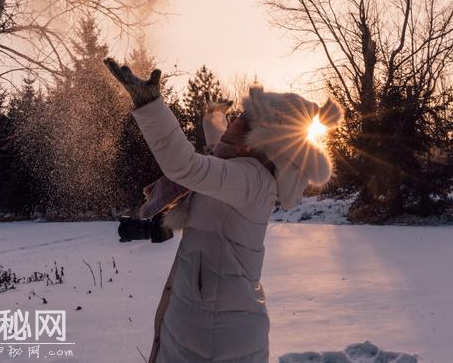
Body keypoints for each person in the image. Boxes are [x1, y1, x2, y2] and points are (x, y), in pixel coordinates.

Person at [103, 58, 343, 362]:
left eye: (246, 119)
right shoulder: (246, 170)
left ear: (263, 134)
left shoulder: (248, 179)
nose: (238, 121)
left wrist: (150, 106)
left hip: (213, 336)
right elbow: (217, 148)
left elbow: (186, 167)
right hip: (211, 321)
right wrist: (215, 116)